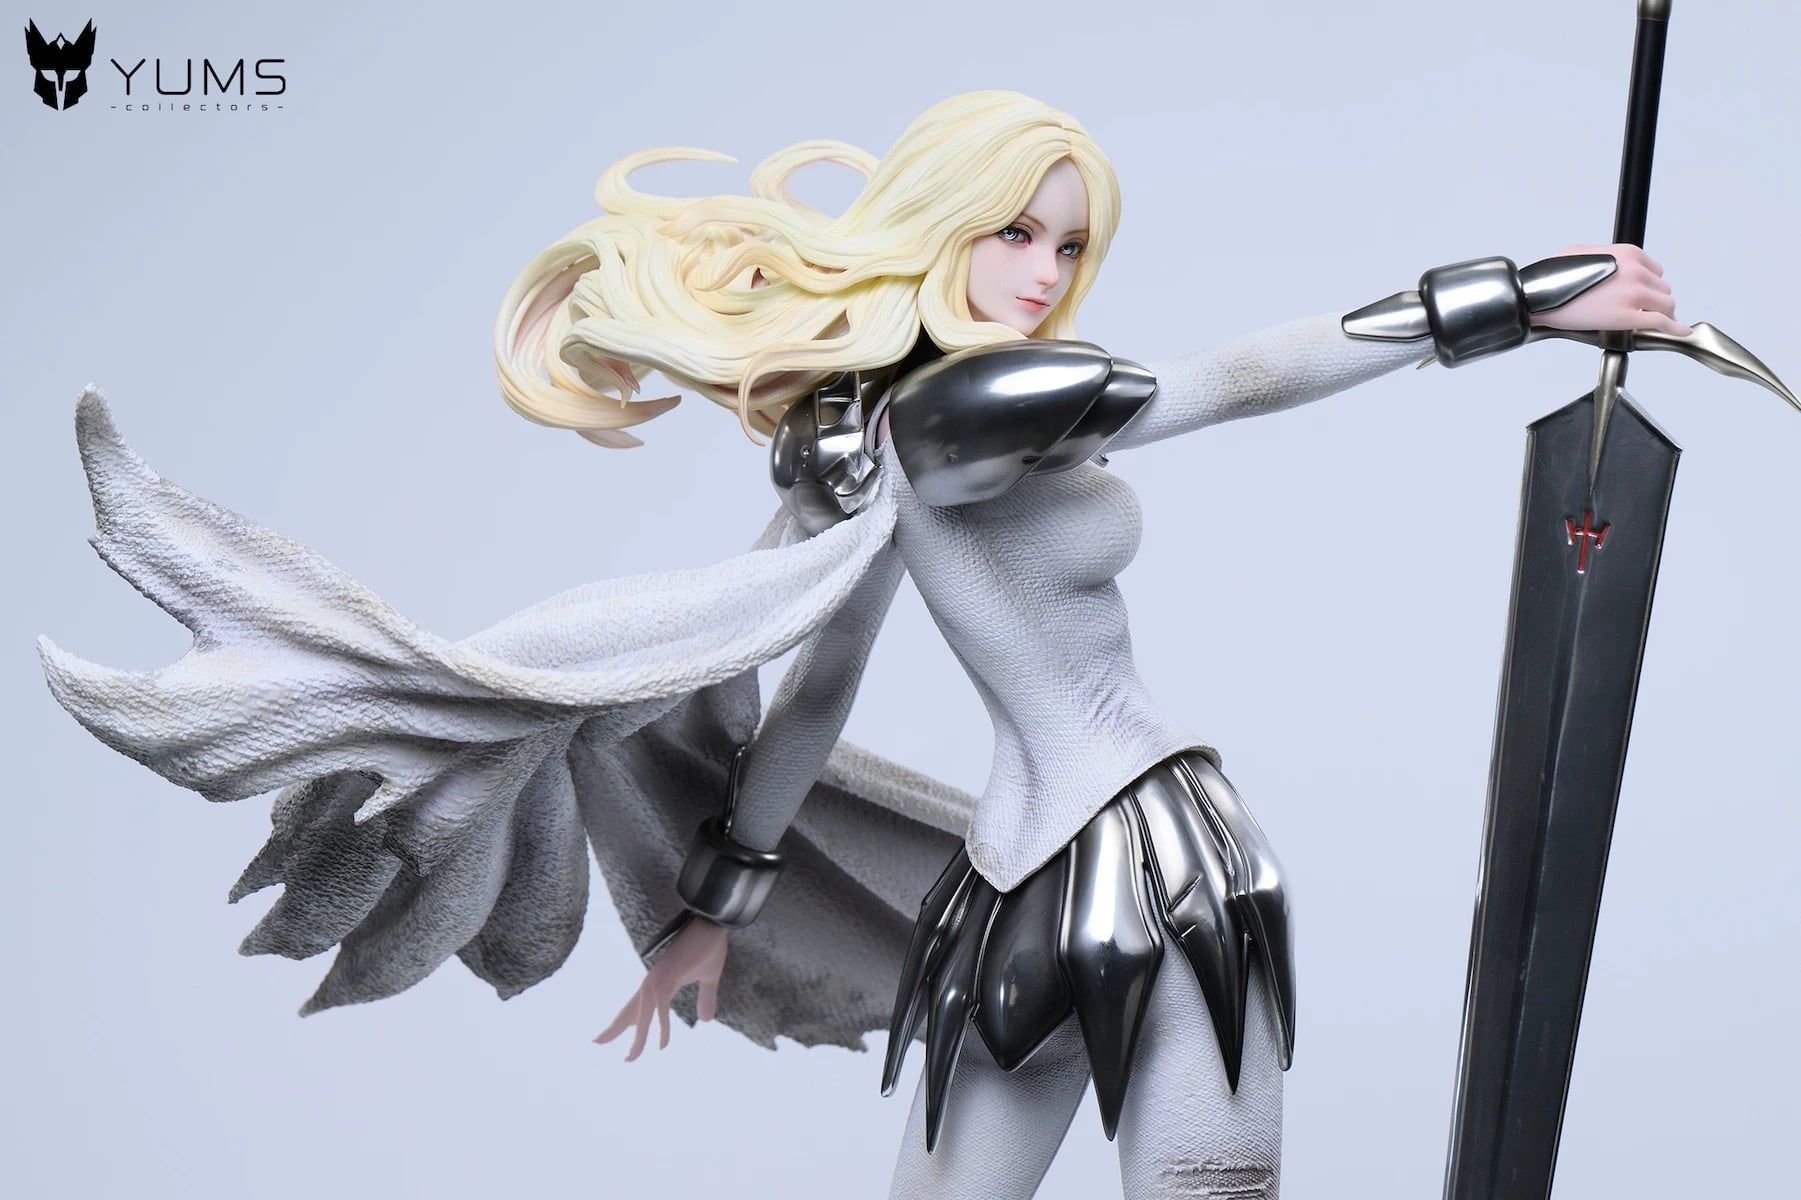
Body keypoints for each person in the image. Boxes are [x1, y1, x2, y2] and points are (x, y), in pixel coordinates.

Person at [41, 91, 1684, 1199]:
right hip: (1122, 870)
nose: (1040, 273)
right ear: (938, 225)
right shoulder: (961, 412)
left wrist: (717, 905)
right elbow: (1230, 381)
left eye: (1066, 244)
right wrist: (1524, 297)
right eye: (1013, 233)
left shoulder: (863, 444)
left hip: (1059, 874)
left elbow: (811, 690)